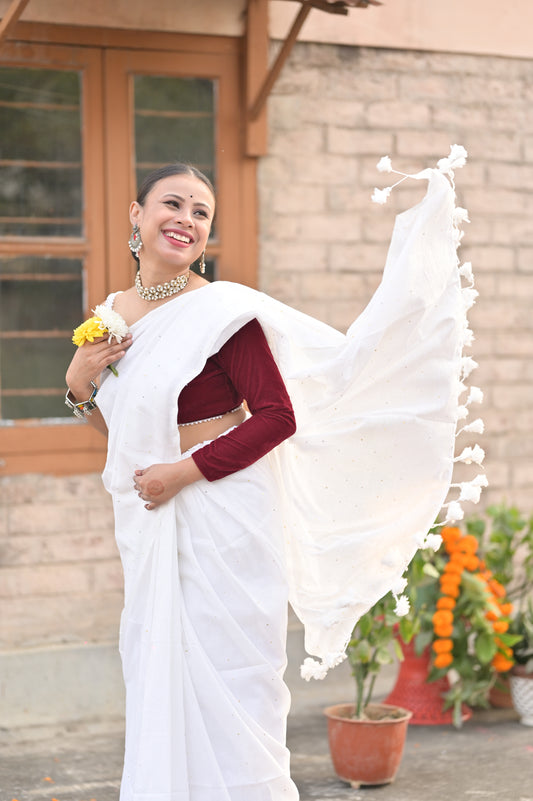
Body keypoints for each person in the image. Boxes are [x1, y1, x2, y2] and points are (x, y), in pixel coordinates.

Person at [65, 158, 470, 801]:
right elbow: (122, 436)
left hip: (222, 510)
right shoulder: (114, 315)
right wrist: (78, 383)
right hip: (151, 517)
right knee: (158, 669)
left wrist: (183, 472)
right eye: (173, 204)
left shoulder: (223, 312)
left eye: (201, 213)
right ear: (137, 216)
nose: (186, 220)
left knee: (233, 675)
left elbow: (277, 418)